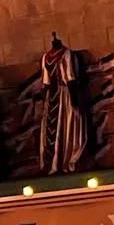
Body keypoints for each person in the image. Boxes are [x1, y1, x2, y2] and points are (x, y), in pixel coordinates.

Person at [37, 33, 86, 174]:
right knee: (66, 126)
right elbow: (69, 77)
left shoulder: (46, 58)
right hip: (64, 94)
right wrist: (75, 101)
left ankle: (56, 162)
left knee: (55, 128)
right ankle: (65, 160)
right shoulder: (66, 53)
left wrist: (45, 100)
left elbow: (45, 83)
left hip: (51, 96)